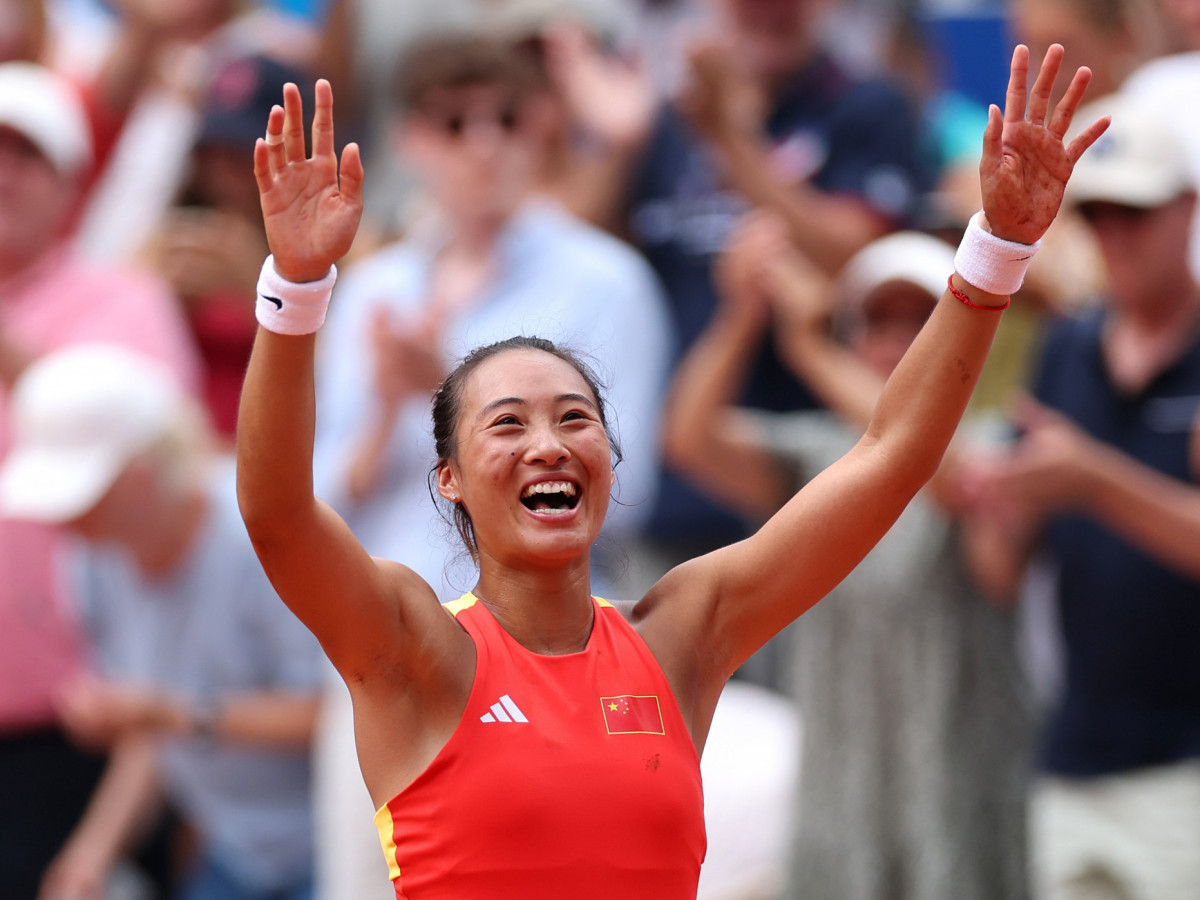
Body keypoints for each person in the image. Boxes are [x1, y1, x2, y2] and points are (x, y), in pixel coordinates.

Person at [236, 43, 1107, 898]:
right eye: (507, 424)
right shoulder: (411, 647)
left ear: (611, 463)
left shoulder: (682, 637)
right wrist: (299, 286)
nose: (548, 443)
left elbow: (889, 457)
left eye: (576, 418)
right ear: (449, 480)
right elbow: (277, 514)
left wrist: (996, 247)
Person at [306, 33, 671, 900]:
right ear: (412, 140)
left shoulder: (605, 280)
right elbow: (322, 499)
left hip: (535, 653)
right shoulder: (375, 285)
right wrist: (396, 408)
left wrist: (444, 386)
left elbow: (626, 487)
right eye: (455, 121)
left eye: (506, 118)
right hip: (380, 645)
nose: (484, 142)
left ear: (541, 126)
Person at [662, 218, 1034, 899]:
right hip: (843, 776)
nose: (895, 344)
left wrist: (806, 346)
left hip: (951, 782)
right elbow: (689, 438)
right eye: (877, 323)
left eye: (918, 322)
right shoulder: (815, 452)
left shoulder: (992, 447)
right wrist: (741, 315)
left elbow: (933, 468)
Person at [966, 100, 1200, 900]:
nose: (1116, 235)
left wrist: (1088, 479)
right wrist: (1000, 498)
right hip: (1076, 752)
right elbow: (1000, 572)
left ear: (1187, 209)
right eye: (1099, 214)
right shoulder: (1064, 347)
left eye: (1135, 211)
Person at [0, 344, 323, 900]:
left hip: (338, 843)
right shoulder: (93, 560)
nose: (66, 517)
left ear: (147, 470)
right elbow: (150, 728)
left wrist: (174, 714)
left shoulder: (265, 540)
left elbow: (337, 714)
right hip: (236, 852)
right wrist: (89, 856)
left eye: (86, 494)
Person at [0, 60, 201, 900]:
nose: (2, 173)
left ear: (70, 180)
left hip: (83, 724)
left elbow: (167, 461)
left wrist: (20, 364)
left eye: (25, 154)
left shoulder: (124, 299)